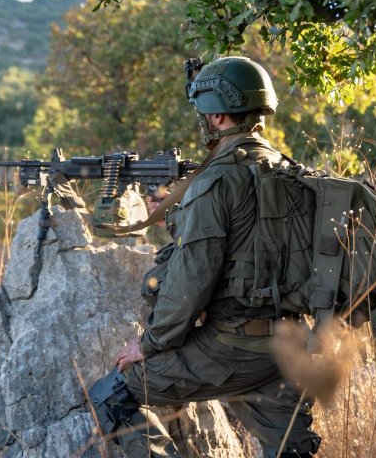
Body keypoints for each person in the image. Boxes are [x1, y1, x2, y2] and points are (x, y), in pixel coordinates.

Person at [88, 56, 321, 458]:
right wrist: (180, 215)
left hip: (230, 349)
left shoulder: (215, 180)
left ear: (215, 116)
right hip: (288, 345)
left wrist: (150, 342)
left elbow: (193, 277)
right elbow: (251, 240)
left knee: (111, 395)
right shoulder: (288, 169)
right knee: (289, 450)